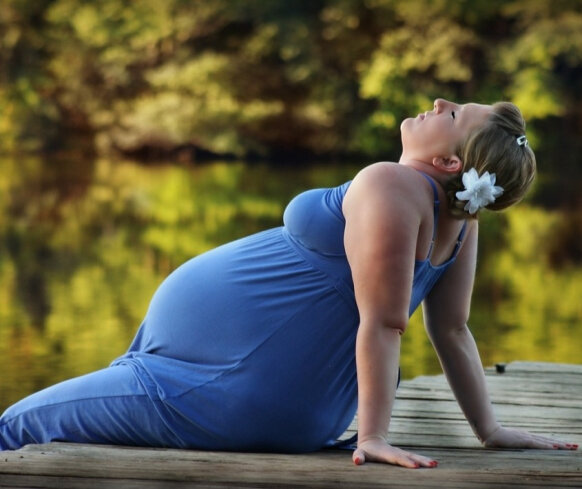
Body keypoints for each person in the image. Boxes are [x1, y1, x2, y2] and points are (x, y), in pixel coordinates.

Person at [0, 99, 577, 468]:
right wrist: (489, 428)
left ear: (453, 166)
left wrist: (371, 437)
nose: (438, 103)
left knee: (15, 427)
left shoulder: (391, 183)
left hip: (212, 388)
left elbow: (385, 321)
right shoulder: (459, 219)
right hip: (258, 395)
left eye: (452, 115)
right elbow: (451, 330)